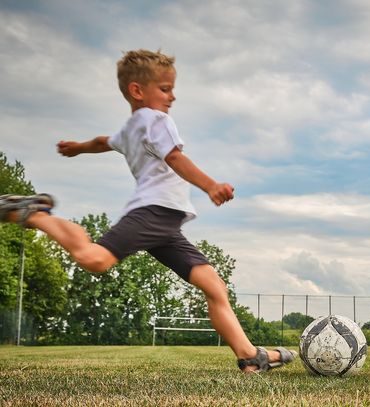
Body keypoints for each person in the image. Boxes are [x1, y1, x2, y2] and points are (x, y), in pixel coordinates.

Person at [0, 49, 295, 373]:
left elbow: (103, 140)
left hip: (165, 224)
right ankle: (33, 213)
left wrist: (78, 148)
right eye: (165, 89)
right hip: (152, 212)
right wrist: (210, 185)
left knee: (214, 286)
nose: (172, 97)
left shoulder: (131, 127)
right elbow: (174, 158)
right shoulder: (156, 120)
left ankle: (250, 357)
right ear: (137, 91)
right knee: (94, 258)